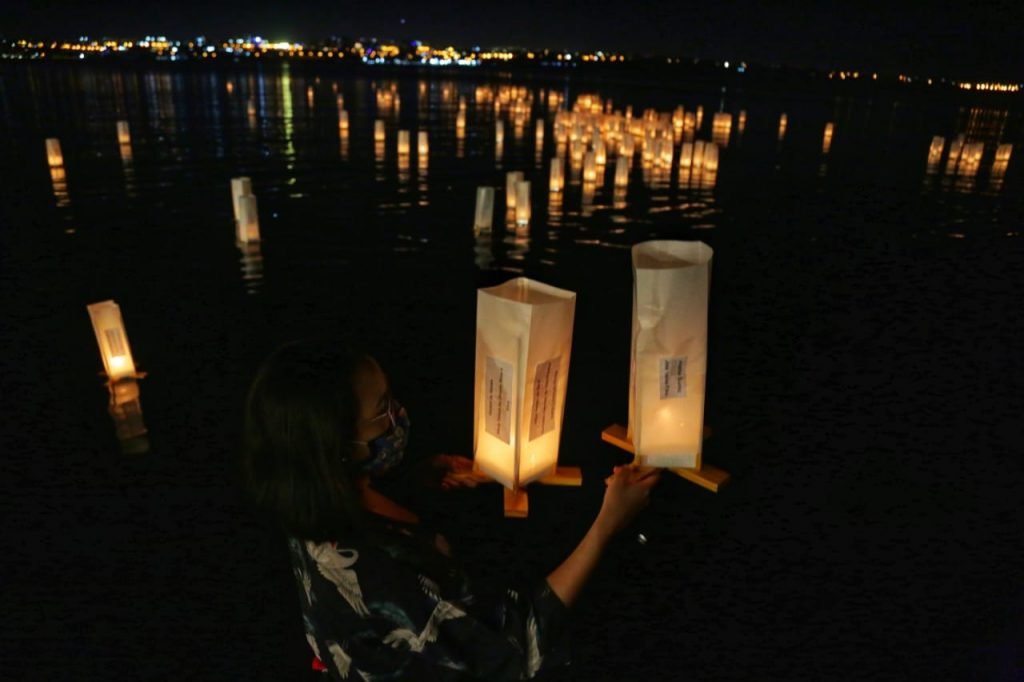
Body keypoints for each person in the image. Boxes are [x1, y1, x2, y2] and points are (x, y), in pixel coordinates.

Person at [240, 338, 660, 680]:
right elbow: (513, 651)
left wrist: (417, 480)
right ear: (339, 447)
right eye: (381, 410)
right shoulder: (373, 575)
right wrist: (607, 524)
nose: (398, 414)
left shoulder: (309, 497)